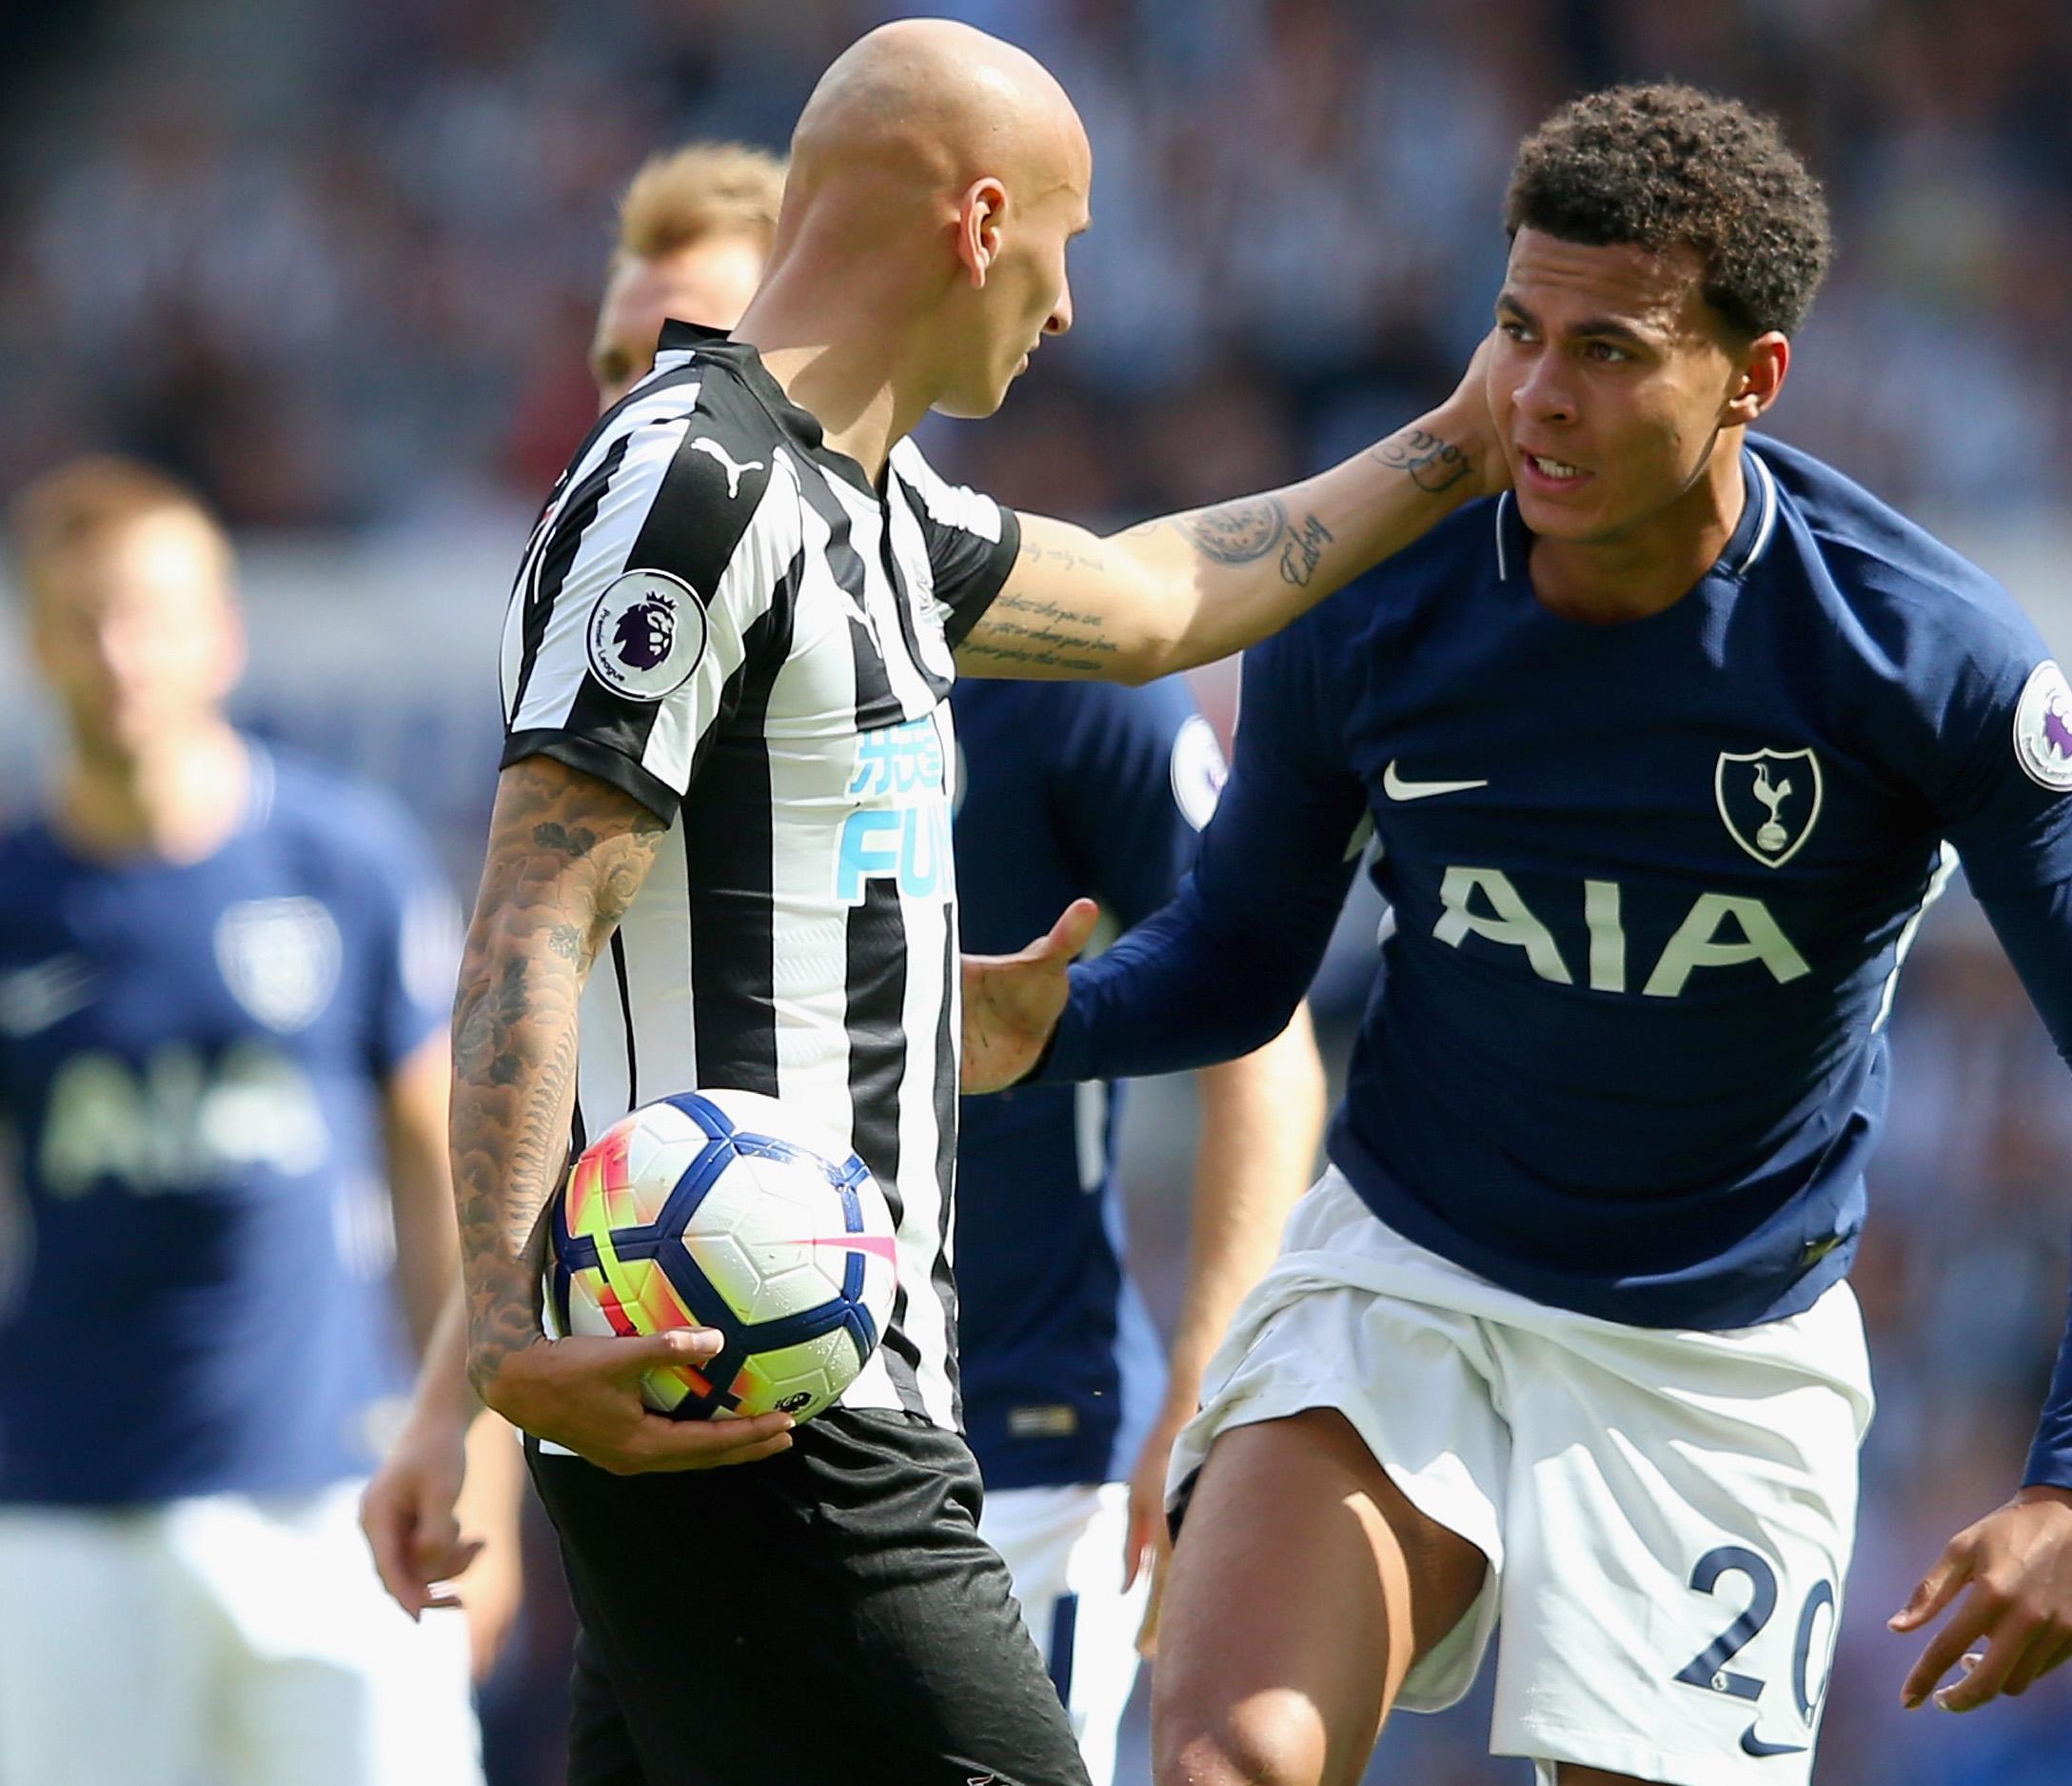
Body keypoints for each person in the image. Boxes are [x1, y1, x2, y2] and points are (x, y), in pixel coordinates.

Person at [963, 84, 2072, 1786]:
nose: (1540, 398)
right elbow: (1240, 965)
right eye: (1517, 329)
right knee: (1226, 1763)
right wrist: (1058, 1021)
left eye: (1614, 350)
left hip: (1719, 1359)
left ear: (1752, 379)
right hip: (1407, 1278)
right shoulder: (1373, 604)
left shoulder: (1926, 662)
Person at [453, 22, 1497, 1786]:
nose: (1070, 306)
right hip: (758, 1392)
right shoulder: (692, 486)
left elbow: (1162, 596)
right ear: (980, 221)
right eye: (1066, 248)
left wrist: (1463, 443)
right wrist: (494, 1327)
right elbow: (531, 912)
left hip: (831, 1399)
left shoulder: (873, 506)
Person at [0, 457, 490, 1785]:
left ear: (221, 634)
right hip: (60, 1520)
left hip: (330, 1497)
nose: (120, 655)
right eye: (82, 620)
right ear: (37, 646)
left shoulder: (345, 862)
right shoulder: (11, 899)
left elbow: (443, 1172)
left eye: (151, 615)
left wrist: (476, 1456)